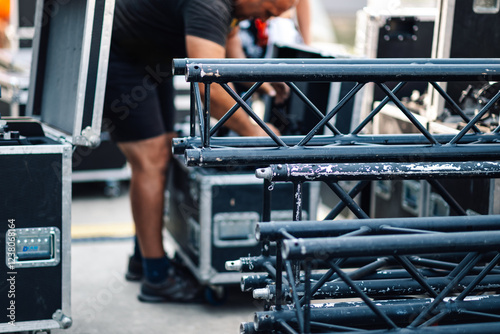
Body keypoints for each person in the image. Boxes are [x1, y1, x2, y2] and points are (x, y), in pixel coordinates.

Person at [102, 0, 297, 303]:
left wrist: (260, 79)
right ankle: (156, 277)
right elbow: (211, 90)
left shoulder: (233, 9)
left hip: (150, 58)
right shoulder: (210, 5)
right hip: (118, 57)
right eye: (270, 11)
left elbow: (228, 45)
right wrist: (257, 133)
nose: (267, 19)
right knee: (150, 161)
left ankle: (143, 257)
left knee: (161, 154)